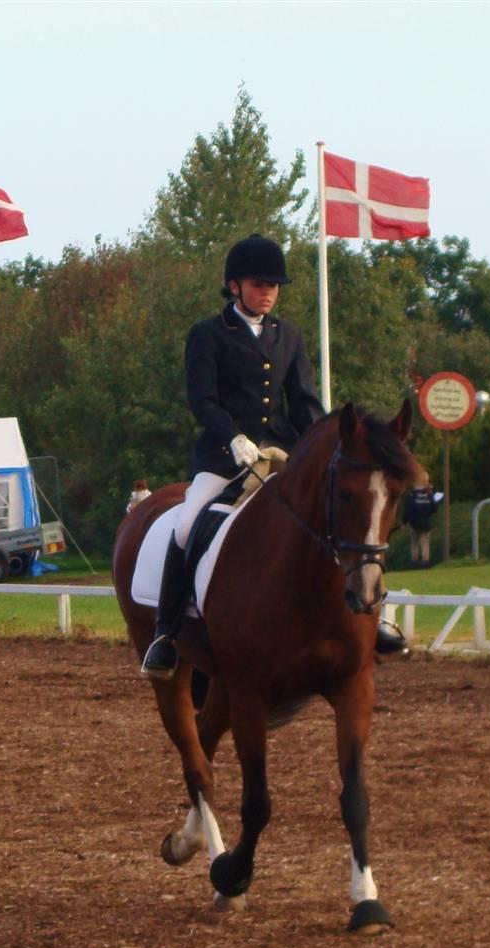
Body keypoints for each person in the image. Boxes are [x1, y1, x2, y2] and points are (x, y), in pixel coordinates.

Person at [141, 234, 326, 679]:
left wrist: (319, 445)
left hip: (280, 452)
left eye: (274, 286)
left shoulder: (290, 336)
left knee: (334, 512)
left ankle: (357, 617)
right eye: (260, 284)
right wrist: (234, 439)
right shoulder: (207, 334)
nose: (268, 293)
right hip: (224, 458)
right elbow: (202, 400)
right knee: (187, 526)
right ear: (234, 285)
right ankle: (166, 633)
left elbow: (303, 401)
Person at [402, 476, 438, 568]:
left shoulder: (411, 494)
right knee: (425, 543)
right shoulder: (429, 494)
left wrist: (404, 522)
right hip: (426, 523)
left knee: (414, 544)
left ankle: (414, 563)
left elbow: (408, 510)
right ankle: (425, 562)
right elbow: (434, 508)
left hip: (414, 523)